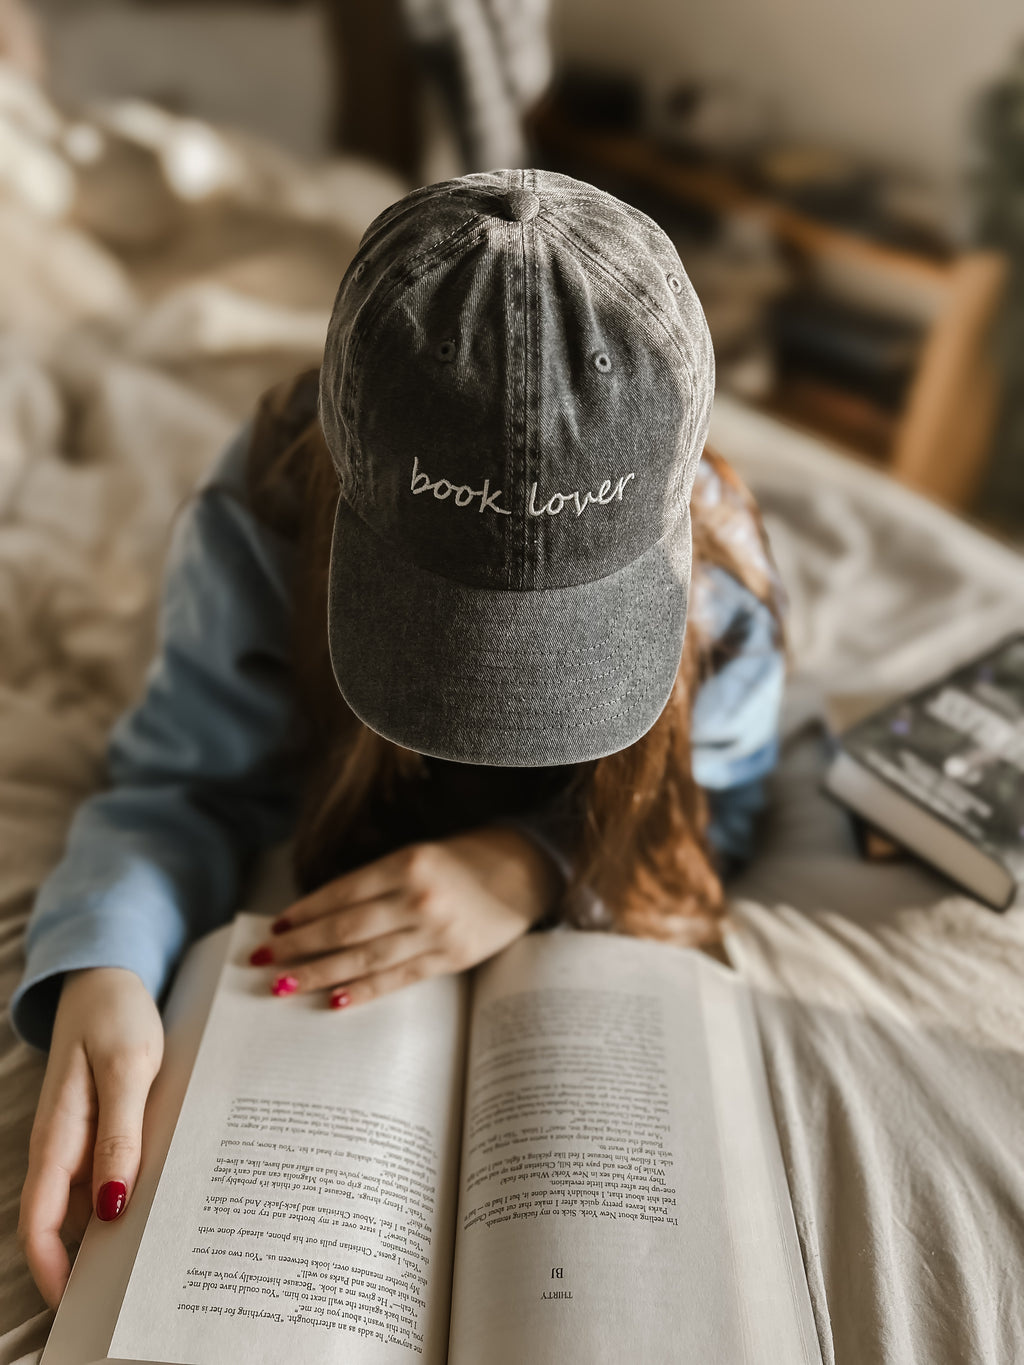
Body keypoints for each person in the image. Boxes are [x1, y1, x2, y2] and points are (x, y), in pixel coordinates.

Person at [13, 169, 786, 1310]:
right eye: (452, 633)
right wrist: (107, 967)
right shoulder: (264, 515)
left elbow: (728, 797)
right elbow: (183, 778)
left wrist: (532, 863)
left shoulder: (723, 592)